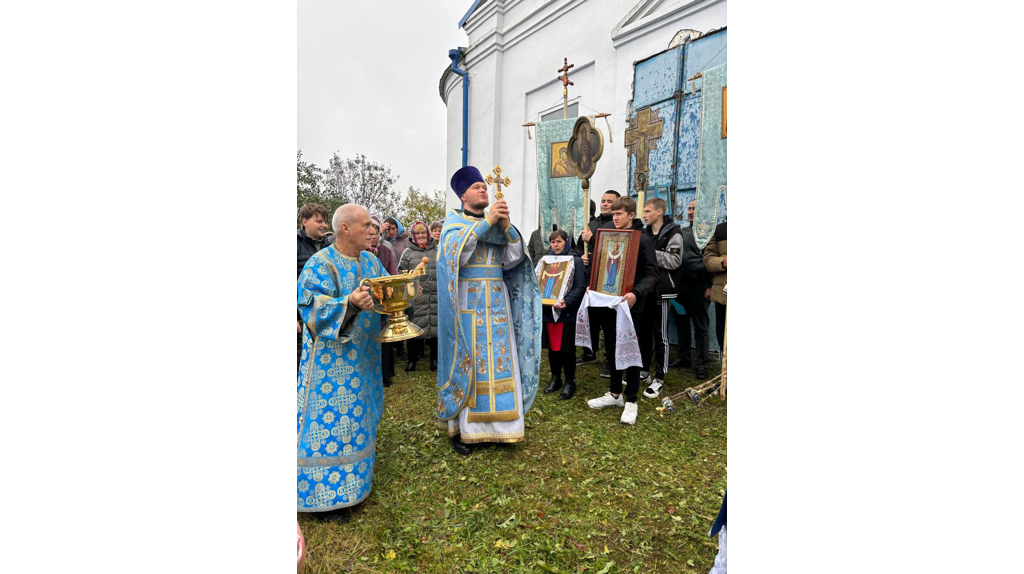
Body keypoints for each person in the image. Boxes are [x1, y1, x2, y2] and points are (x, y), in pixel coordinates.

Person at [435, 165, 542, 455]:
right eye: (476, 187)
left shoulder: (497, 225)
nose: (483, 189)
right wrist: (486, 223)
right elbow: (455, 255)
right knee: (470, 363)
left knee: (500, 362)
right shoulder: (453, 225)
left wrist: (506, 228)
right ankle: (464, 430)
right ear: (463, 195)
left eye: (484, 185)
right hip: (467, 308)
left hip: (497, 303)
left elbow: (514, 259)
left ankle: (503, 428)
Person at [296, 204, 388, 516]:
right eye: (366, 225)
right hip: (329, 368)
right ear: (345, 228)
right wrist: (347, 302)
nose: (372, 231)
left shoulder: (372, 260)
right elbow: (309, 307)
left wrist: (402, 291)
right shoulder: (319, 264)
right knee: (331, 425)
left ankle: (358, 484)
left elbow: (388, 289)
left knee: (359, 418)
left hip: (363, 358)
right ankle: (324, 496)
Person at [586, 196, 657, 424]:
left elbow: (652, 274)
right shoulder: (608, 236)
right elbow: (601, 264)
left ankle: (631, 400)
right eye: (613, 214)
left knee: (631, 351)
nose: (614, 218)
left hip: (630, 305)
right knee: (611, 346)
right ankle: (615, 393)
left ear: (631, 215)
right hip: (607, 301)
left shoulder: (642, 240)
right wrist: (594, 283)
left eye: (619, 214)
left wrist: (636, 293)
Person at [639, 197, 683, 398]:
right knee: (644, 333)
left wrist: (649, 252)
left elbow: (674, 260)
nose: (644, 215)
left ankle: (659, 377)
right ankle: (644, 371)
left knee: (661, 335)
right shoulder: (644, 233)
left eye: (647, 211)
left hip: (664, 291)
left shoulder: (674, 233)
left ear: (659, 212)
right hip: (646, 290)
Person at [540, 230, 586, 400]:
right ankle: (555, 378)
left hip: (566, 312)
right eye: (553, 242)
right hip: (549, 310)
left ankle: (569, 382)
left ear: (566, 242)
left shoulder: (575, 261)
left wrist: (567, 301)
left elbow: (580, 286)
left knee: (566, 348)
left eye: (559, 242)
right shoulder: (546, 260)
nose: (556, 245)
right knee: (552, 347)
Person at [576, 191, 619, 370]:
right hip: (589, 277)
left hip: (608, 279)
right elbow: (579, 248)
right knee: (590, 316)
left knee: (608, 320)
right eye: (603, 201)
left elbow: (613, 247)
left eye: (610, 201)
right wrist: (581, 257)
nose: (605, 204)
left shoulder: (616, 225)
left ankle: (611, 358)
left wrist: (592, 239)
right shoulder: (591, 224)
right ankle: (589, 352)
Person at [671, 200, 713, 379]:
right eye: (689, 208)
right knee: (681, 323)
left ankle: (702, 363)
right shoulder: (681, 232)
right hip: (680, 287)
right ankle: (684, 357)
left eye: (694, 209)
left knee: (700, 326)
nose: (690, 212)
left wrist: (710, 285)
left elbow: (712, 260)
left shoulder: (710, 234)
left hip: (700, 288)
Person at [398, 221, 438, 372]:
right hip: (416, 296)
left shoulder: (438, 250)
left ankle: (434, 360)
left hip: (435, 294)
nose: (421, 236)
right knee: (414, 327)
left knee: (435, 327)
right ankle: (411, 360)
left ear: (428, 234)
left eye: (423, 233)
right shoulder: (407, 253)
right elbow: (401, 273)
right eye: (417, 233)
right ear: (413, 236)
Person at [297, 203, 330, 367]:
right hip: (301, 315)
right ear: (305, 221)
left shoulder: (329, 246)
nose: (324, 225)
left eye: (325, 221)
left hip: (324, 313)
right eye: (319, 221)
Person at [367, 218, 396, 387]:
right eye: (369, 233)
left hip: (383, 300)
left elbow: (391, 275)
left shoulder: (385, 251)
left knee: (384, 340)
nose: (372, 236)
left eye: (375, 233)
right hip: (366, 302)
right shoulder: (361, 253)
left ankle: (385, 374)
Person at [703, 221, 727, 353]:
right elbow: (708, 259)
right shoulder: (720, 230)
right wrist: (722, 262)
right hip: (723, 294)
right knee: (723, 336)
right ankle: (725, 371)